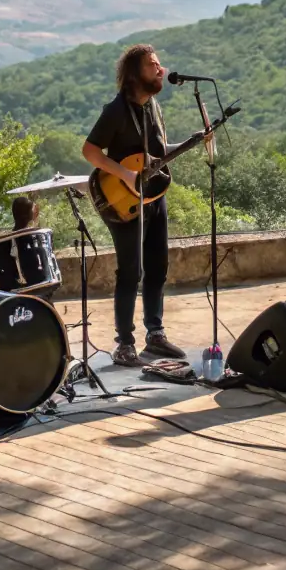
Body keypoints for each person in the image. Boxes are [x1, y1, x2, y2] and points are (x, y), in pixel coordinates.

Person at [82, 43, 185, 367]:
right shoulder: (115, 111)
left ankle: (155, 336)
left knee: (158, 267)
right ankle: (124, 344)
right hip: (122, 198)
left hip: (154, 196)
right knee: (131, 271)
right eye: (153, 64)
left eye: (159, 63)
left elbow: (156, 151)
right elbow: (90, 151)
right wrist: (125, 174)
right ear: (135, 74)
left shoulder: (152, 107)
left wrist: (193, 140)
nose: (160, 69)